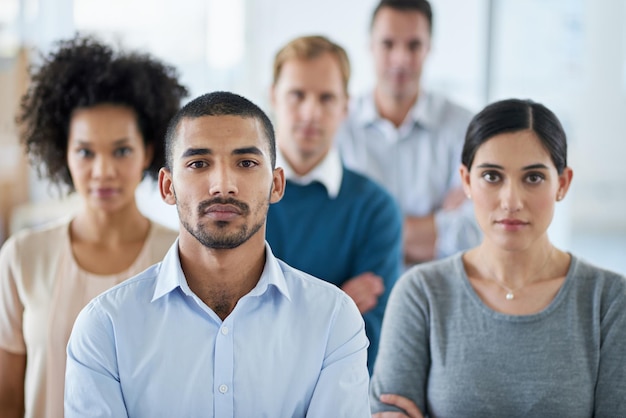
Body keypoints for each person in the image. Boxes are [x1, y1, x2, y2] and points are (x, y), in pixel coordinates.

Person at [64, 91, 371, 417]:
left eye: (246, 163)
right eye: (198, 163)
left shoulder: (333, 320)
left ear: (277, 185)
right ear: (168, 187)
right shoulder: (105, 327)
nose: (223, 185)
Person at [370, 99, 626, 417]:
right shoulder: (421, 294)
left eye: (533, 178)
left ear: (562, 183)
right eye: (492, 176)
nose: (511, 201)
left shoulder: (610, 301)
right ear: (466, 181)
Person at [0, 35, 187, 418]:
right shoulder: (23, 256)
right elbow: (7, 396)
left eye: (121, 150)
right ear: (62, 152)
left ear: (148, 152)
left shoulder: (182, 257)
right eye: (85, 151)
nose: (103, 171)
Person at [266, 35, 403, 373]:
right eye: (297, 95)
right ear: (273, 97)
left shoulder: (375, 209)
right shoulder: (237, 199)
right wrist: (336, 304)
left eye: (326, 98)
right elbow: (223, 326)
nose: (311, 112)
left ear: (346, 107)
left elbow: (367, 344)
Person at [336, 0, 481, 265]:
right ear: (370, 45)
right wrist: (435, 224)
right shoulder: (339, 127)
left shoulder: (464, 127)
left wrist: (369, 229)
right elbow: (333, 232)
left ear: (429, 48)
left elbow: (476, 233)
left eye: (413, 45)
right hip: (362, 298)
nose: (401, 58)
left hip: (440, 295)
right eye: (388, 44)